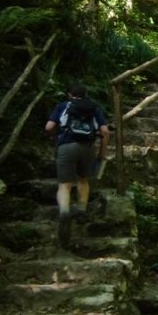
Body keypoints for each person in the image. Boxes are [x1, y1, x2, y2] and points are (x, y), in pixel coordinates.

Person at [45, 84, 110, 248]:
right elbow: (105, 131)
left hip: (66, 146)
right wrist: (102, 153)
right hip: (87, 148)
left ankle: (65, 212)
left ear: (69, 95)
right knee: (83, 179)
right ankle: (81, 210)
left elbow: (49, 127)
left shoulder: (63, 106)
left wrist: (55, 137)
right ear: (86, 94)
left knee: (65, 185)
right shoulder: (94, 107)